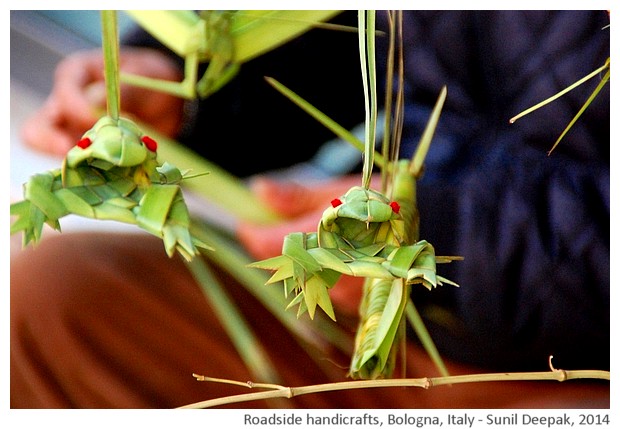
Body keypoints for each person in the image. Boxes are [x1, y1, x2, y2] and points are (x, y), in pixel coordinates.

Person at [10, 10, 609, 408]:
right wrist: (186, 86)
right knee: (49, 295)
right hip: (372, 324)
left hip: (568, 368)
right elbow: (359, 33)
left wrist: (442, 235)